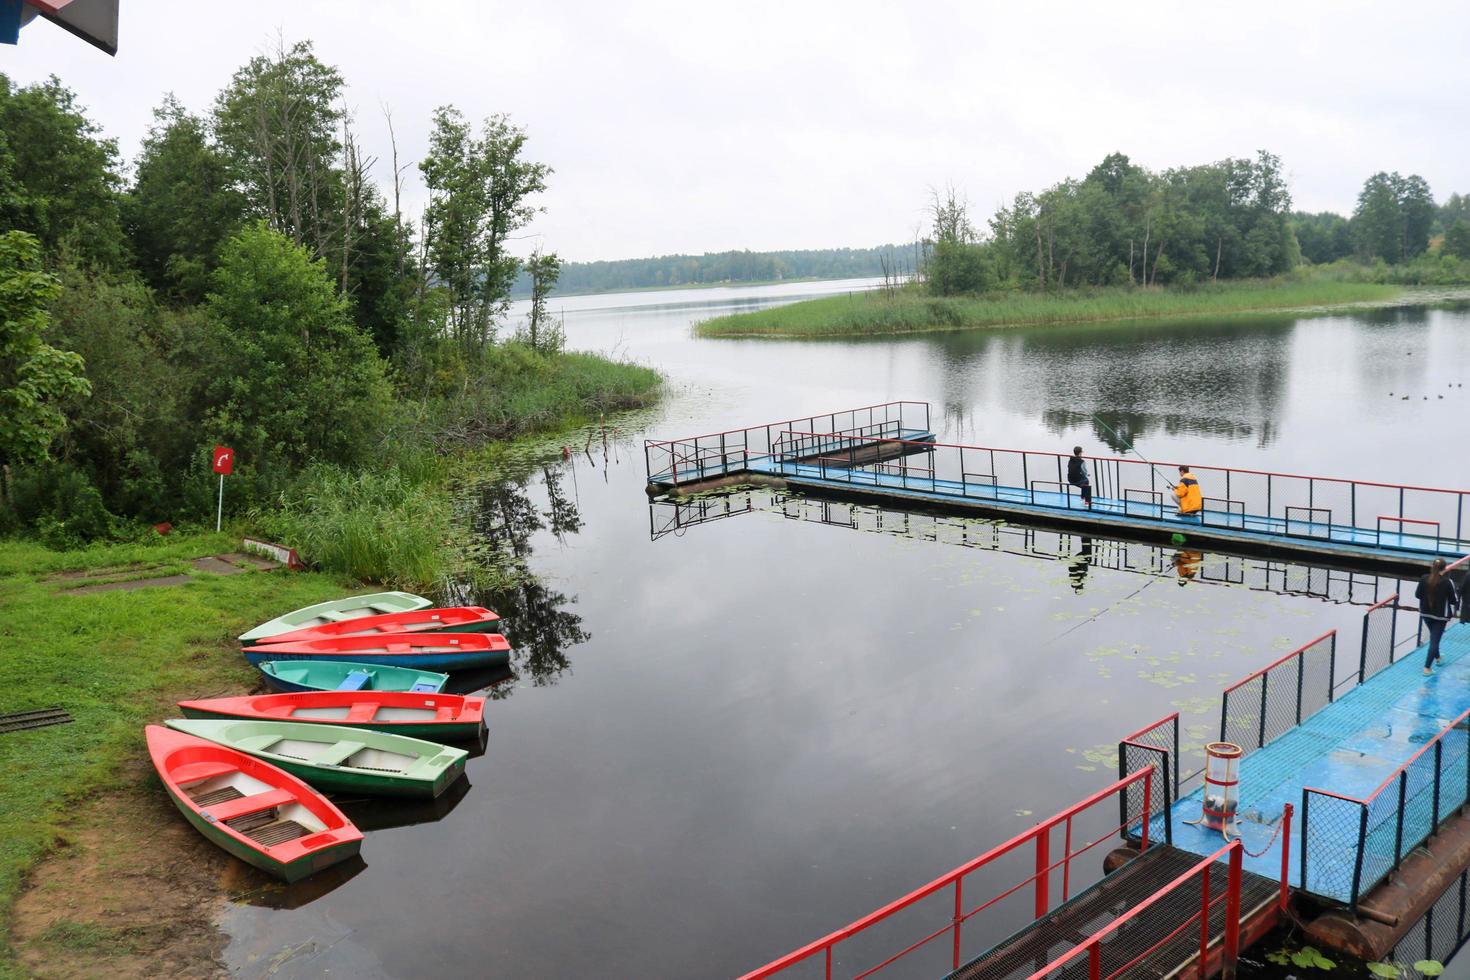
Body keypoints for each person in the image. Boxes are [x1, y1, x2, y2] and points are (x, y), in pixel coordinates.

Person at [1417, 558, 1461, 675]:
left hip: (1425, 613)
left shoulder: (1424, 578)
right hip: (1441, 617)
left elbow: (1417, 595)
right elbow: (1453, 600)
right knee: (1434, 641)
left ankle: (1438, 658)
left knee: (1434, 637)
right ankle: (1427, 668)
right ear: (1445, 568)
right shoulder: (1447, 582)